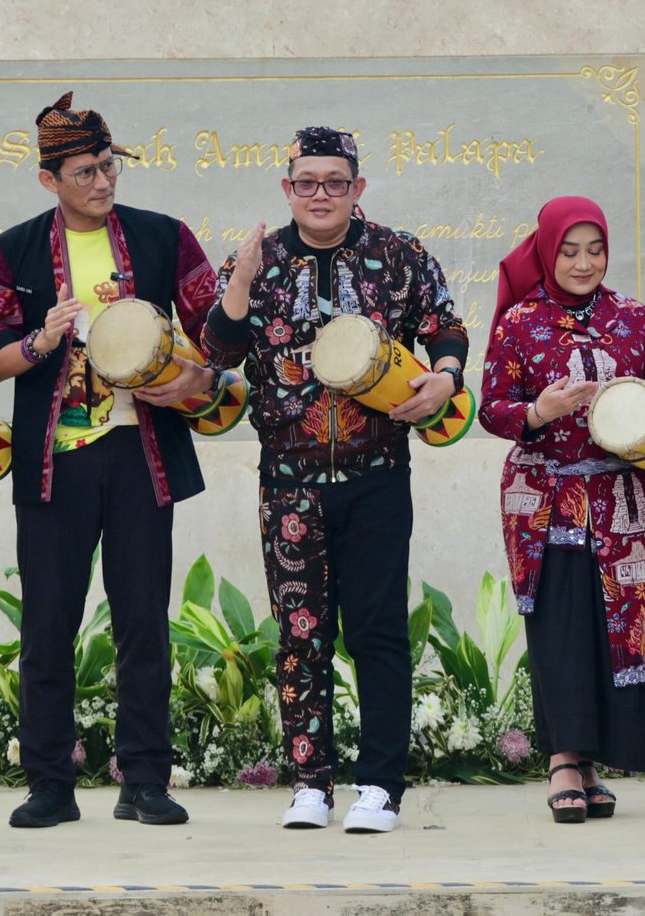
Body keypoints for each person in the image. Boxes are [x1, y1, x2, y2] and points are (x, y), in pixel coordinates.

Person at [200, 126, 467, 833]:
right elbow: (216, 352)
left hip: (378, 475)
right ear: (287, 188)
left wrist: (444, 376)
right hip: (288, 483)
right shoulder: (258, 259)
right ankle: (309, 782)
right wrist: (238, 284)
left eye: (335, 181)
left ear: (358, 187)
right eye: (307, 182)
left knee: (378, 632)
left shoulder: (398, 254)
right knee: (301, 633)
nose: (321, 194)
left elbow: (445, 323)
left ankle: (379, 786)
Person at [0, 92, 213, 829]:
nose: (103, 183)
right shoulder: (13, 250)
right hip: (57, 460)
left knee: (144, 623)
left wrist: (197, 378)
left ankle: (144, 779)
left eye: (109, 166)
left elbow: (215, 338)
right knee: (49, 624)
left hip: (142, 454)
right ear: (49, 179)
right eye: (85, 172)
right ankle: (49, 780)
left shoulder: (163, 236)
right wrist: (42, 341)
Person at [480, 196, 645, 822]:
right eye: (569, 250)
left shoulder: (632, 317)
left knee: (615, 629)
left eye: (595, 249)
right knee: (563, 624)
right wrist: (541, 412)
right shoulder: (519, 323)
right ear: (547, 251)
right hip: (547, 500)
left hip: (620, 500)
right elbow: (492, 407)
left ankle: (593, 763)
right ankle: (563, 760)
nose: (584, 263)